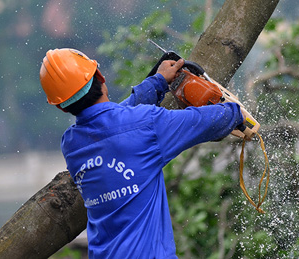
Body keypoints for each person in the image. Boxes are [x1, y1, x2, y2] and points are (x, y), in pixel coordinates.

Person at [39, 48, 245, 258]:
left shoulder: (72, 145)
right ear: (100, 77)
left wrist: (158, 81)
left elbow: (114, 120)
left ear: (63, 107)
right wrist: (236, 112)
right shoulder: (146, 125)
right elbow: (207, 121)